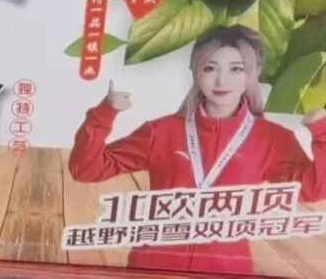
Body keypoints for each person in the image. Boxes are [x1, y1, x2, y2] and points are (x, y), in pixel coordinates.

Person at [68, 25, 326, 274]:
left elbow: (312, 189)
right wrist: (104, 113)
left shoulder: (271, 139)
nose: (222, 80)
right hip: (152, 269)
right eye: (210, 68)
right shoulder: (161, 131)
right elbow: (87, 169)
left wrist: (322, 133)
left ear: (253, 73)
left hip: (226, 271)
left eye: (236, 69)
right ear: (195, 70)